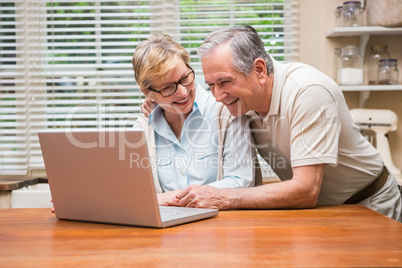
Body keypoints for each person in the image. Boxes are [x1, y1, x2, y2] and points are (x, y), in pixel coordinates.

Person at [142, 25, 401, 222]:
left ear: (260, 70)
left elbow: (306, 190)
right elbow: (193, 102)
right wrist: (160, 103)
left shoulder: (308, 91)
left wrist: (220, 196)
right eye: (211, 85)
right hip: (324, 210)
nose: (217, 96)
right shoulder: (241, 101)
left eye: (224, 82)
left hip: (370, 202)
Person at [131, 33, 261, 207]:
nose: (184, 93)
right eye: (168, 88)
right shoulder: (142, 129)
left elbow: (241, 182)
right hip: (168, 229)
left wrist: (166, 199)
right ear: (149, 93)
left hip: (222, 225)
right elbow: (134, 193)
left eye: (185, 78)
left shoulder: (227, 112)